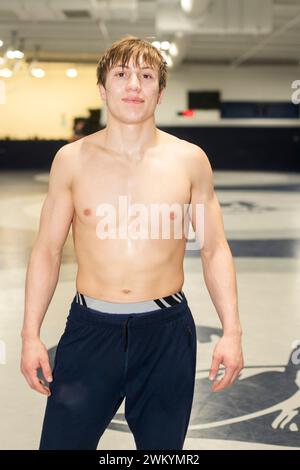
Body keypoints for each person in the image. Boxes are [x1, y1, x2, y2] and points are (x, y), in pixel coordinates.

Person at [20, 36, 244, 450]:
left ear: (160, 91)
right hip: (90, 332)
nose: (134, 85)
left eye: (146, 76)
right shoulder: (70, 161)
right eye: (121, 74)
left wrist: (232, 331)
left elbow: (215, 250)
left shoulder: (190, 160)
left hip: (166, 334)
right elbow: (46, 251)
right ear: (104, 89)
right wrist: (30, 335)